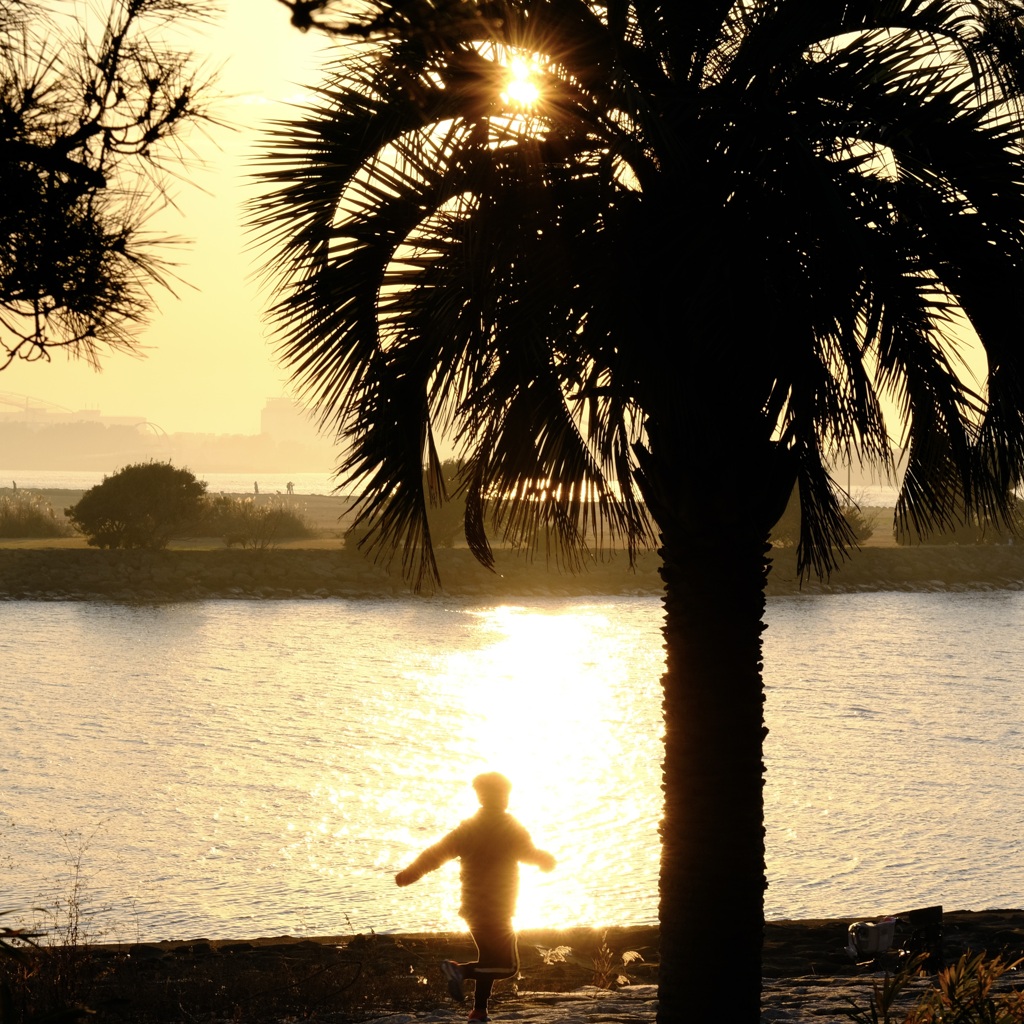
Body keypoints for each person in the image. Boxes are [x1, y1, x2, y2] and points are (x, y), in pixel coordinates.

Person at [395, 772, 556, 1022]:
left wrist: (410, 874)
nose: (503, 798)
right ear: (490, 796)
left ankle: (479, 1012)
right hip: (497, 910)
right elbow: (528, 853)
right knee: (507, 966)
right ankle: (459, 971)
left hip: (472, 909)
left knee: (489, 960)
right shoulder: (509, 826)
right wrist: (544, 860)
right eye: (502, 794)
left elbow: (435, 854)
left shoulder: (467, 829)